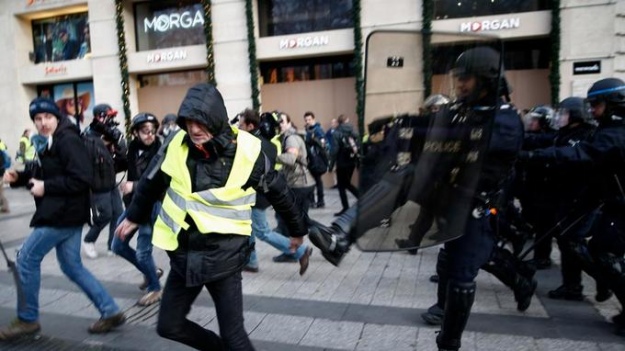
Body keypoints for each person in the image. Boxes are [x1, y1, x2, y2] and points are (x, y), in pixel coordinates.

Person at [309, 46, 524, 351]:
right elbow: (430, 124)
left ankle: (449, 343)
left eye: (467, 79)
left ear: (487, 80)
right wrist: (398, 123)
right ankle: (340, 236)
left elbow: (468, 142)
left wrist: (437, 136)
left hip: (476, 208)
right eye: (458, 79)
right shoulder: (464, 111)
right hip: (449, 198)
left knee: (461, 276)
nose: (459, 85)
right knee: (406, 175)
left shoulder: (505, 120)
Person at [115, 83, 308, 350]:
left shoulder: (246, 151)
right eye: (189, 121)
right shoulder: (176, 145)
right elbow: (151, 182)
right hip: (185, 256)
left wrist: (297, 231)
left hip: (224, 259)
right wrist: (134, 216)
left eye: (201, 122)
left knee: (234, 336)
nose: (194, 129)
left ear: (216, 120)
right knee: (168, 325)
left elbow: (280, 192)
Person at [0, 97, 125, 340]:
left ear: (56, 117)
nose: (43, 122)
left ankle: (27, 319)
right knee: (71, 265)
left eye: (47, 117)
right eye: (37, 119)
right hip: (67, 213)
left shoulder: (67, 139)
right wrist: (21, 177)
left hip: (61, 214)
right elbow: (49, 173)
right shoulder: (55, 138)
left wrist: (46, 187)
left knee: (26, 259)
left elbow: (81, 178)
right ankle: (110, 310)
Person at [523, 77, 625, 337]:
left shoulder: (617, 133)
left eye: (597, 105)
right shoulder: (609, 130)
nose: (593, 110)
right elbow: (599, 174)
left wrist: (533, 157)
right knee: (599, 250)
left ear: (614, 105)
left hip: (620, 207)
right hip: (613, 204)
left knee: (605, 254)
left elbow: (584, 155)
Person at [238, 109, 313, 274]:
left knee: (262, 231)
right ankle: (251, 261)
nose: (238, 127)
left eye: (241, 124)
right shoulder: (269, 144)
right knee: (247, 228)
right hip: (259, 194)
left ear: (250, 126)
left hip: (256, 195)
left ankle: (301, 251)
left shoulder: (249, 145)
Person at [112, 113, 164, 306]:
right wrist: (111, 147)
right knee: (117, 244)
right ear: (135, 132)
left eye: (152, 130)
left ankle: (155, 288)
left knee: (143, 252)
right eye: (145, 131)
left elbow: (159, 179)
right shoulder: (133, 147)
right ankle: (151, 271)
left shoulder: (160, 149)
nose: (150, 135)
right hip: (134, 205)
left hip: (151, 205)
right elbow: (119, 165)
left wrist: (134, 185)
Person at [82, 103, 127, 258]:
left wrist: (118, 142)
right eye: (108, 117)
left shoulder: (111, 134)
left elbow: (121, 160)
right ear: (99, 117)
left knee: (118, 213)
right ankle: (89, 240)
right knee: (105, 214)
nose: (111, 120)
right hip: (97, 184)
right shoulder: (88, 136)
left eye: (112, 117)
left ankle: (112, 245)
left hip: (110, 180)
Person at [272, 112, 316, 264]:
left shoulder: (291, 138)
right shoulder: (287, 137)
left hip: (300, 185)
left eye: (282, 121)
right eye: (278, 122)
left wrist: (271, 156)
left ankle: (292, 252)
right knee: (299, 220)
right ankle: (301, 248)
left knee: (287, 219)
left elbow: (290, 159)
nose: (280, 124)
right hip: (299, 183)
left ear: (289, 123)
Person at [329, 114, 360, 216]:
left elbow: (334, 150)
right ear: (347, 120)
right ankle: (358, 200)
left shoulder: (337, 132)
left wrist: (331, 165)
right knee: (346, 183)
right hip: (351, 161)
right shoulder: (353, 130)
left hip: (342, 162)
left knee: (342, 186)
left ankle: (347, 206)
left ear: (338, 122)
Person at [304, 111, 327, 208]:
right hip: (311, 158)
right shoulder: (308, 130)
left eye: (309, 119)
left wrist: (314, 141)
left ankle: (319, 201)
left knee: (316, 181)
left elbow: (323, 143)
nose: (307, 121)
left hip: (316, 159)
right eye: (306, 120)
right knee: (314, 181)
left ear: (313, 119)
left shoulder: (317, 129)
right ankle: (314, 201)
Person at [0, 138, 10, 213]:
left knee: (0, 191)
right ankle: (5, 207)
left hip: (0, 173)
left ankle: (5, 207)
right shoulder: (2, 147)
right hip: (1, 172)